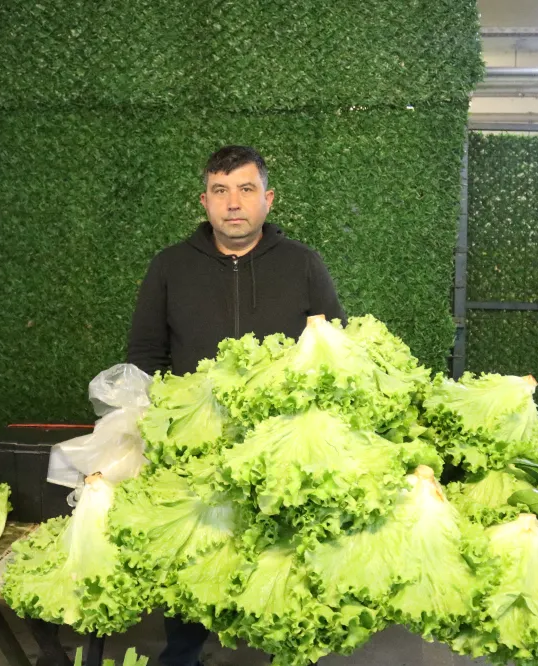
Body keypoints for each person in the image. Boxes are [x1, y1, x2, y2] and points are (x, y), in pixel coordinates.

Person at [127, 145, 347, 666]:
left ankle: (289, 649)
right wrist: (148, 420)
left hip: (282, 443)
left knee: (285, 557)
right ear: (204, 201)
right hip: (195, 444)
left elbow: (336, 347)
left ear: (268, 199)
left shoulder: (303, 264)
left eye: (246, 189)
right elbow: (145, 354)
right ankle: (183, 654)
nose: (233, 203)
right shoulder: (170, 266)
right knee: (194, 553)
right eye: (220, 191)